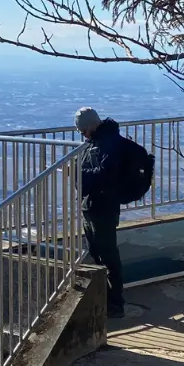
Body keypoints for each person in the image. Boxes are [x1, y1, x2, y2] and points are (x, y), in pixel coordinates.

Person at [76, 106, 127, 318]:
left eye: (83, 130)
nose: (82, 135)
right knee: (97, 252)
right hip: (92, 205)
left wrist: (80, 174)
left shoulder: (109, 144)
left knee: (107, 254)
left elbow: (106, 174)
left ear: (92, 126)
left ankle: (115, 302)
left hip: (103, 207)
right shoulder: (95, 143)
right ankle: (107, 298)